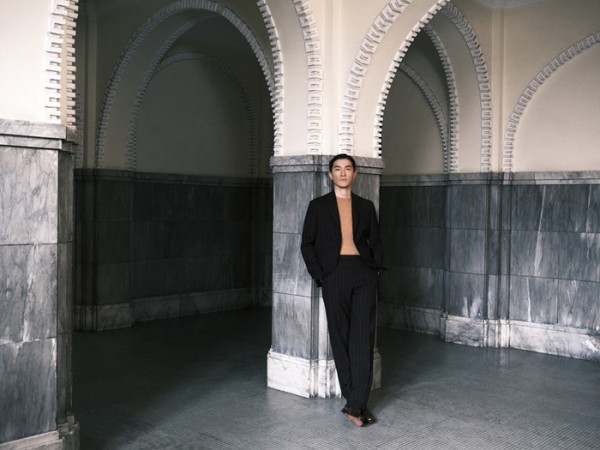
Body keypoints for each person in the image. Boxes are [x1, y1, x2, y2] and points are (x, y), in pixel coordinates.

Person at [300, 153, 384, 427]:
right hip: (334, 275)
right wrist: (321, 275)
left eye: (348, 168)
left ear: (355, 174)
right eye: (337, 169)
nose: (343, 173)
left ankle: (357, 403)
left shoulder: (365, 206)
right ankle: (355, 401)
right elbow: (307, 244)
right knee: (340, 337)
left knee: (363, 337)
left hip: (362, 273)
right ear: (330, 174)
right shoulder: (318, 206)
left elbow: (376, 242)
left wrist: (375, 270)